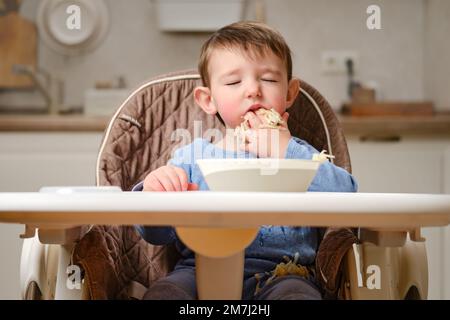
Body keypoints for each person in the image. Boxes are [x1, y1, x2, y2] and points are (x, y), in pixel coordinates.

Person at [132, 21, 358, 300]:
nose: (253, 90)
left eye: (269, 79)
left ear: (289, 93)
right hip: (198, 270)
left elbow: (347, 198)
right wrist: (154, 192)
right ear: (207, 99)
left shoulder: (299, 154)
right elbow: (155, 233)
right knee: (165, 294)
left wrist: (285, 149)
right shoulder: (192, 157)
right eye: (234, 81)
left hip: (286, 274)